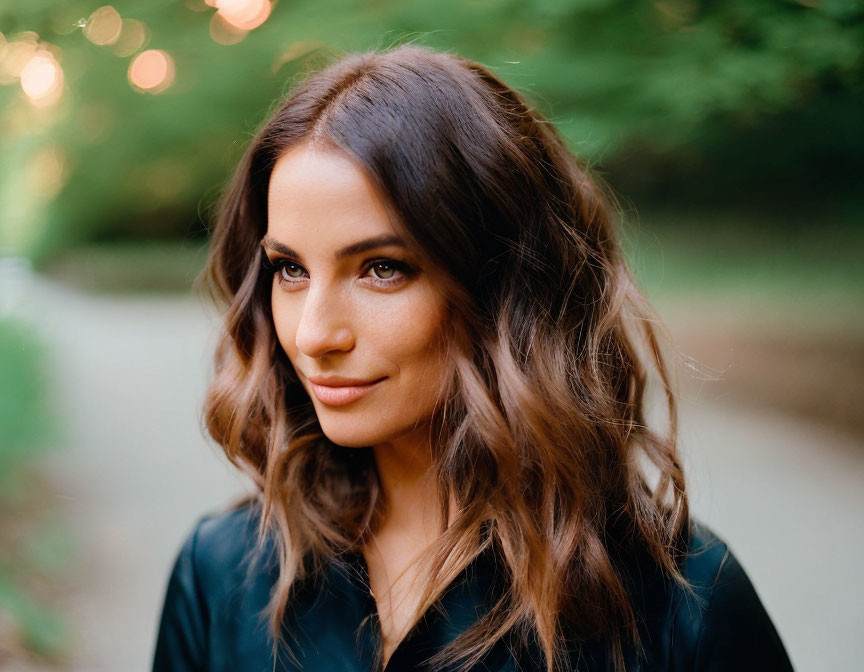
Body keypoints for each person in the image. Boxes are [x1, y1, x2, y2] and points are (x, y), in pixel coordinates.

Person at [151, 45, 794, 672]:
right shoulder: (220, 575)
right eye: (289, 269)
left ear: (505, 283)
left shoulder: (682, 610)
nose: (315, 334)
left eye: (382, 269)